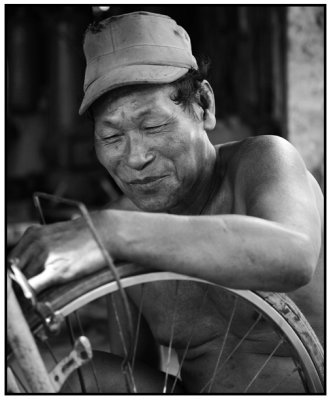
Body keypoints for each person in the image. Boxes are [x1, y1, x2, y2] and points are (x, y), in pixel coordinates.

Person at [10, 11, 323, 393]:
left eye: (153, 125)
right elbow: (132, 374)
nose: (135, 156)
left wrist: (109, 231)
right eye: (111, 137)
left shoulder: (262, 162)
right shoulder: (121, 230)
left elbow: (295, 254)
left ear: (203, 106)